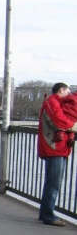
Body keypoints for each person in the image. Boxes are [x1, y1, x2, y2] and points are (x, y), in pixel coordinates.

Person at [37, 82, 77, 227]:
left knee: (52, 183)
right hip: (54, 148)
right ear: (61, 90)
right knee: (53, 184)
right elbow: (59, 120)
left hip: (57, 148)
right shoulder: (52, 102)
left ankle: (45, 213)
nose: (69, 94)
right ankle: (49, 216)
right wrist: (73, 126)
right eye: (68, 91)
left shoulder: (54, 102)